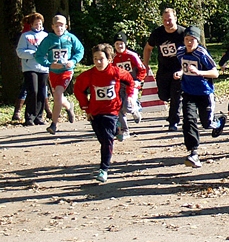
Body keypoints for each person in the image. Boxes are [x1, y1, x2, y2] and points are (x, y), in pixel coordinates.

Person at [74, 44, 135, 183]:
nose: (98, 62)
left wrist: (130, 96)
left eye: (101, 58)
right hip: (95, 111)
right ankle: (118, 128)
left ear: (109, 59)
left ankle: (104, 169)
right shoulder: (88, 75)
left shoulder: (116, 72)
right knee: (102, 139)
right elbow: (78, 89)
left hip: (112, 110)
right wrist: (86, 108)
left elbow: (130, 82)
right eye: (95, 59)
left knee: (107, 140)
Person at [174, 26, 226, 168]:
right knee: (188, 120)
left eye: (192, 40)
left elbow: (215, 73)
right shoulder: (180, 52)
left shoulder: (201, 53)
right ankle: (193, 152)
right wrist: (180, 73)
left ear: (197, 40)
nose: (189, 42)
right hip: (188, 92)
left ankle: (219, 122)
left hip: (204, 93)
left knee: (206, 123)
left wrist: (199, 72)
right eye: (186, 39)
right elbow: (183, 67)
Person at [35, 15, 85, 135]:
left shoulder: (70, 38)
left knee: (57, 94)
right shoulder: (48, 40)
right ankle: (69, 106)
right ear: (52, 27)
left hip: (66, 71)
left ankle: (54, 124)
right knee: (58, 97)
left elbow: (80, 51)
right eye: (56, 26)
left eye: (61, 26)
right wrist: (49, 64)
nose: (59, 28)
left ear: (66, 26)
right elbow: (39, 55)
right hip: (53, 72)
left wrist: (72, 61)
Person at [142, 8, 186, 131]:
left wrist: (184, 69)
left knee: (176, 95)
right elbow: (148, 48)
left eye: (170, 20)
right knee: (163, 95)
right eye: (165, 20)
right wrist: (145, 64)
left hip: (179, 69)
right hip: (163, 69)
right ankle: (174, 107)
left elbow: (191, 50)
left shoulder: (183, 33)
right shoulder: (158, 33)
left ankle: (173, 122)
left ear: (175, 19)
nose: (167, 22)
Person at [16, 13, 50, 126]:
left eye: (40, 24)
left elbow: (51, 50)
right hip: (30, 67)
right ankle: (29, 117)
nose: (38, 26)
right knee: (33, 91)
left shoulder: (46, 36)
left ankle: (39, 117)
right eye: (36, 24)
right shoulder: (25, 36)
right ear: (31, 24)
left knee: (42, 92)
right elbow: (20, 51)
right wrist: (33, 54)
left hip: (43, 67)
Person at [112, 32, 146, 140]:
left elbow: (142, 69)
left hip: (132, 84)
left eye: (121, 44)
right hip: (120, 85)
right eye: (117, 44)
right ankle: (125, 130)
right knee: (119, 108)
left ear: (125, 44)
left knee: (127, 106)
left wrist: (138, 80)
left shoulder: (132, 55)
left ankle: (135, 109)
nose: (119, 46)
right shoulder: (113, 58)